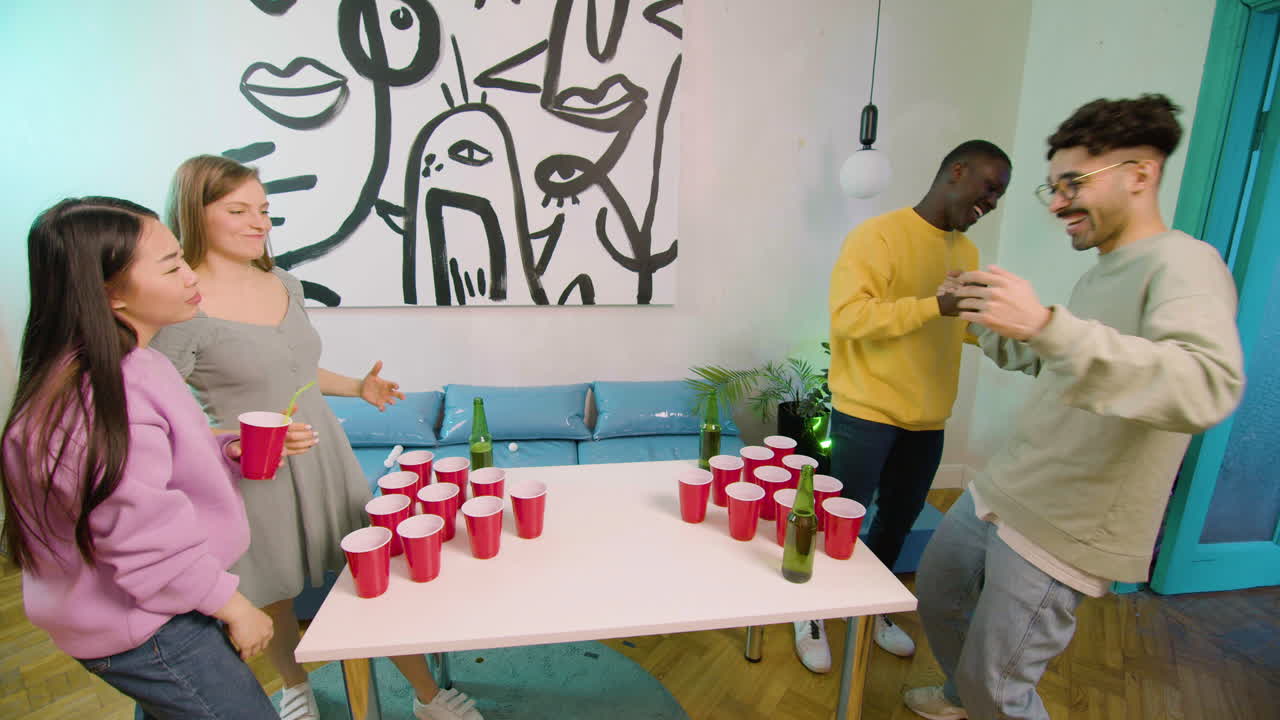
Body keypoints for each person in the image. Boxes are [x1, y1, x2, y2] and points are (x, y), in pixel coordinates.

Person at [905, 94, 1245, 720]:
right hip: (1009, 486)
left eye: (1073, 183)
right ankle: (964, 698)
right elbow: (1056, 357)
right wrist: (987, 321)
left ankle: (980, 700)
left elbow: (1206, 385)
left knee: (1001, 686)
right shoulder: (1106, 270)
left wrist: (1043, 324)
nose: (1058, 203)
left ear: (1140, 175)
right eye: (1053, 187)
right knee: (940, 592)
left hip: (1067, 523)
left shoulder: (1186, 264)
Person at [151, 156, 484, 720]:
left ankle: (426, 695)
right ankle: (295, 684)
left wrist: (359, 385)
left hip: (327, 455)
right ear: (195, 214)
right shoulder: (181, 309)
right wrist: (234, 440)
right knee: (275, 596)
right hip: (251, 475)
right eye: (238, 210)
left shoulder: (283, 281)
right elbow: (156, 414)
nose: (259, 223)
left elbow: (296, 371)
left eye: (264, 210)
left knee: (376, 573)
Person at [0, 197, 278, 719]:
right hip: (148, 619)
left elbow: (140, 479)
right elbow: (139, 536)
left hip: (154, 606)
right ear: (109, 294)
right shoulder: (98, 400)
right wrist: (234, 605)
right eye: (171, 265)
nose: (189, 273)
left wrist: (221, 451)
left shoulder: (131, 364)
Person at [797, 141, 1012, 673]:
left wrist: (1002, 330)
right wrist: (934, 305)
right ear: (955, 172)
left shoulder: (965, 253)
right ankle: (814, 611)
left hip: (928, 417)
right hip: (866, 411)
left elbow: (953, 325)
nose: (992, 203)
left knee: (897, 522)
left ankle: (874, 609)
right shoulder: (877, 236)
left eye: (1001, 195)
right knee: (841, 520)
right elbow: (850, 318)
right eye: (989, 187)